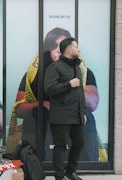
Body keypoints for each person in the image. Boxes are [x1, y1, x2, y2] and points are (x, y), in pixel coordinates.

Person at [12, 27, 99, 162]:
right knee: (34, 115)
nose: (59, 49)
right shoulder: (34, 75)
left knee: (87, 116)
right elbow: (19, 109)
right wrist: (43, 104)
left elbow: (92, 104)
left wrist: (71, 83)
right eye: (55, 46)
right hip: (45, 123)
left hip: (72, 119)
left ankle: (81, 166)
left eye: (64, 45)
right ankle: (36, 164)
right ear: (48, 51)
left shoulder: (84, 72)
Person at [44, 37, 86, 180]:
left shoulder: (77, 67)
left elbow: (80, 92)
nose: (78, 49)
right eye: (76, 46)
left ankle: (70, 171)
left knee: (79, 142)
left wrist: (83, 112)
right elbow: (49, 89)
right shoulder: (55, 67)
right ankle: (59, 176)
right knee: (60, 146)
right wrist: (69, 84)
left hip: (77, 114)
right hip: (61, 114)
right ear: (68, 49)